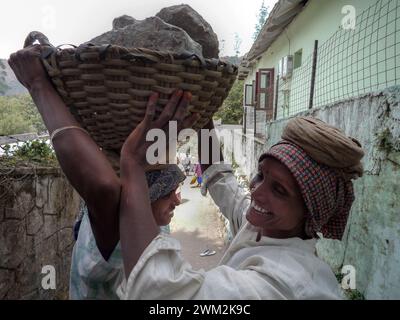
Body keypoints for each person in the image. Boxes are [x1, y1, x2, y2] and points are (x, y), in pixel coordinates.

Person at [115, 100, 365, 299]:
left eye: (279, 190)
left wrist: (133, 165)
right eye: (261, 175)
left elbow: (160, 294)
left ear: (310, 211)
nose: (256, 192)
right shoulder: (264, 227)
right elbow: (221, 178)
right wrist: (204, 111)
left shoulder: (286, 283)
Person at [7, 45, 197, 299]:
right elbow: (104, 187)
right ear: (141, 194)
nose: (177, 200)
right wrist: (37, 84)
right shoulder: (117, 227)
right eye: (167, 192)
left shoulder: (151, 222)